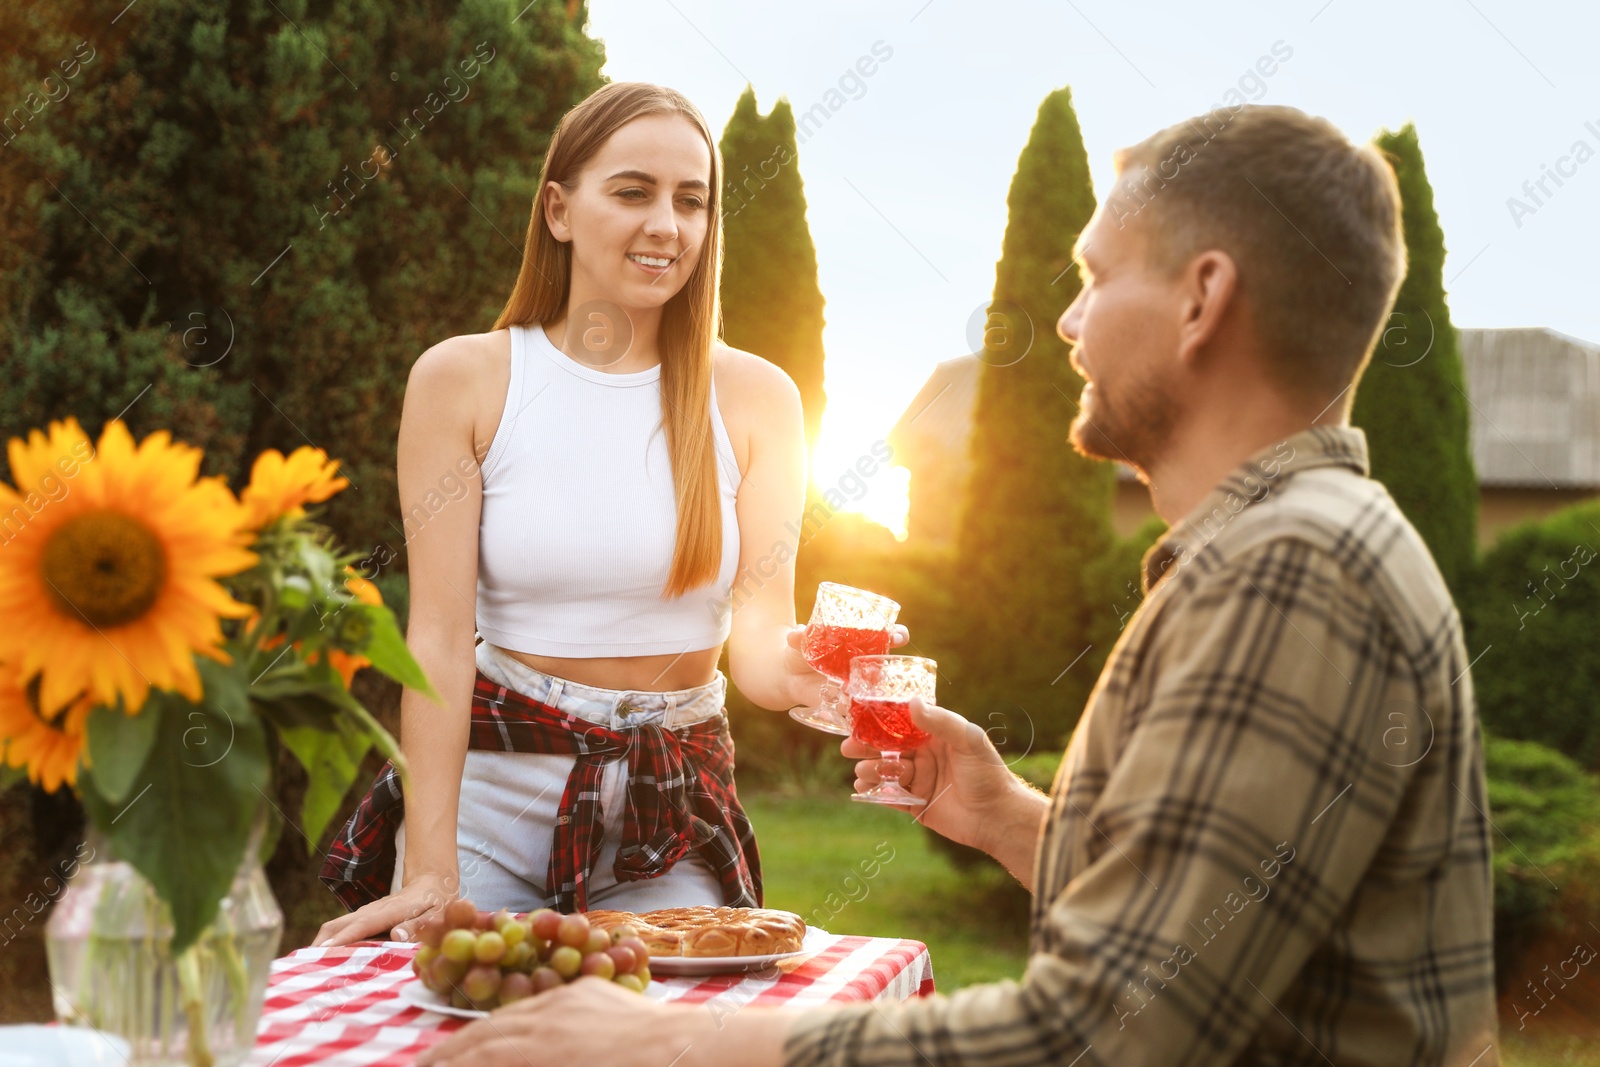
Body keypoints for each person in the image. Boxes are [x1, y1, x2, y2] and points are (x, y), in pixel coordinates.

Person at [416, 102, 1499, 1066]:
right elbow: (1208, 925)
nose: (1068, 323)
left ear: (1200, 298)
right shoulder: (1290, 549)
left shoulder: (1288, 578)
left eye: (1094, 277)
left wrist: (675, 1039)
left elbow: (1101, 1024)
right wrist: (1008, 818)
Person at [313, 82, 897, 946]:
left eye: (691, 201)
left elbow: (760, 649)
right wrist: (433, 868)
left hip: (673, 798)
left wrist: (826, 670)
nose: (668, 224)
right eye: (633, 192)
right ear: (558, 209)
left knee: (675, 1038)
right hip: (495, 795)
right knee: (468, 1027)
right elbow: (435, 641)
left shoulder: (758, 398)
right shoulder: (463, 380)